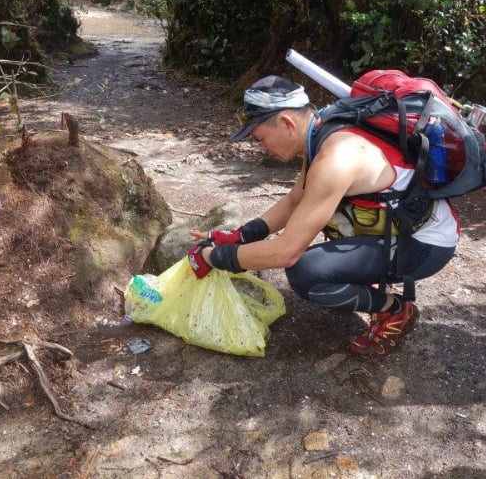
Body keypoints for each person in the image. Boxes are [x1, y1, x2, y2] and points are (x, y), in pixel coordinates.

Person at [187, 75, 459, 356]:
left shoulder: (336, 157)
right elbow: (296, 199)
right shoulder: (322, 131)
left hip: (424, 244)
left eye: (260, 138)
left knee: (308, 273)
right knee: (319, 258)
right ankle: (366, 281)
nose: (261, 147)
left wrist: (213, 258)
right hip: (400, 230)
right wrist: (241, 236)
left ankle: (395, 310)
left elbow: (286, 253)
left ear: (286, 123)